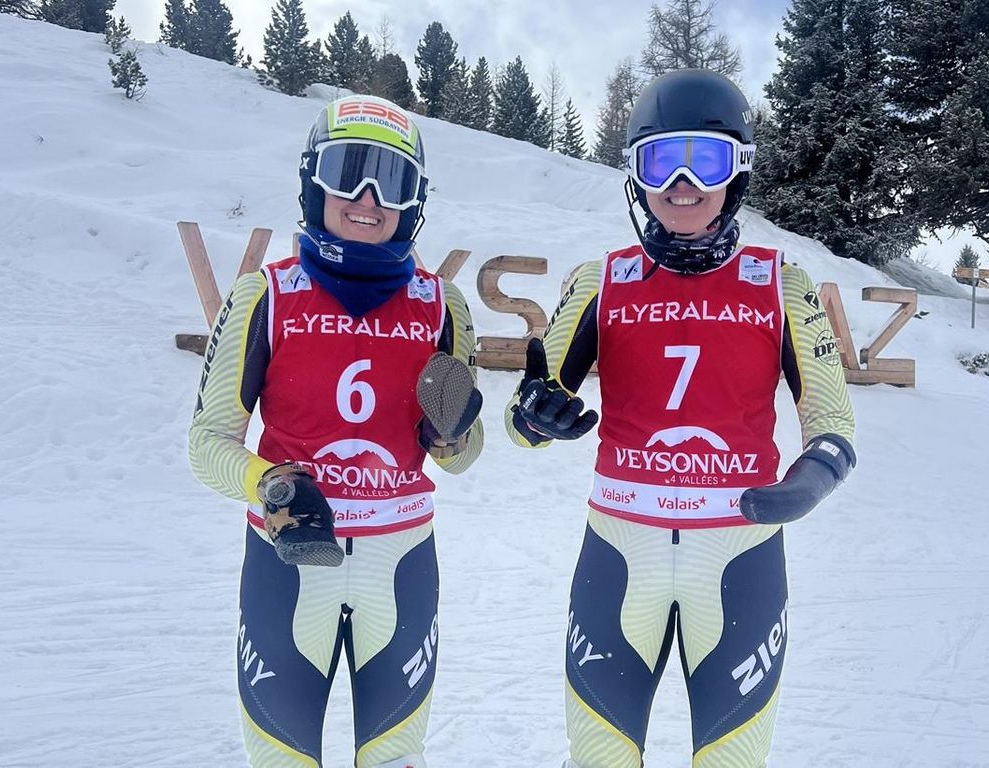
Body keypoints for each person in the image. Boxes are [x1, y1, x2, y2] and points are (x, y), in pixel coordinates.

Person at [504, 69, 856, 768]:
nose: (683, 183)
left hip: (739, 553)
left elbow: (832, 419)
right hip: (619, 552)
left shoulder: (780, 284)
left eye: (708, 162)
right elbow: (527, 418)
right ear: (637, 176)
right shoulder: (600, 280)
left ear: (739, 172)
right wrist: (535, 414)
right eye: (661, 160)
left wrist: (812, 477)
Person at [188, 94, 483, 768]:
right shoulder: (264, 295)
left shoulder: (442, 303)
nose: (368, 198)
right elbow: (206, 445)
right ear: (311, 181)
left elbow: (462, 456)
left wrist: (452, 439)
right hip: (287, 565)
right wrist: (270, 484)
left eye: (392, 180)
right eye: (347, 172)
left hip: (399, 564)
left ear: (415, 199)